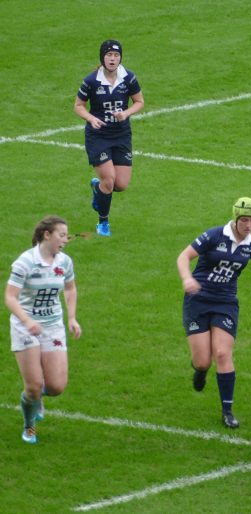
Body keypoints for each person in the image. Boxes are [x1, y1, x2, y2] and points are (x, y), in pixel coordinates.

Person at [177, 197, 251, 428]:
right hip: (198, 300)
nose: (248, 225)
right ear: (235, 218)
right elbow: (184, 256)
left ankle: (227, 411)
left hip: (225, 302)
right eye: (244, 220)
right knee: (202, 361)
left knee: (222, 353)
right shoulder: (214, 235)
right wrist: (186, 278)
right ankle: (200, 371)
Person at [5, 216, 81, 444]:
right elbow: (10, 297)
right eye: (61, 235)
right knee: (34, 386)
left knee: (57, 386)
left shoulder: (65, 262)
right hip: (25, 328)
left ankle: (37, 398)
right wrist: (27, 321)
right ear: (47, 235)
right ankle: (29, 426)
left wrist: (72, 318)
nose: (65, 240)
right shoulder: (25, 262)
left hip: (52, 326)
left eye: (67, 235)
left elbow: (70, 288)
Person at [74, 40, 144, 237]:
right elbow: (78, 105)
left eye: (116, 55)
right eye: (109, 55)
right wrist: (91, 118)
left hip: (121, 134)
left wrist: (126, 113)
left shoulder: (128, 78)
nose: (113, 59)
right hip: (98, 136)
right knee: (110, 180)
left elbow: (139, 101)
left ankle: (98, 187)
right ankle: (103, 223)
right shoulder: (91, 81)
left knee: (120, 184)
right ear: (102, 57)